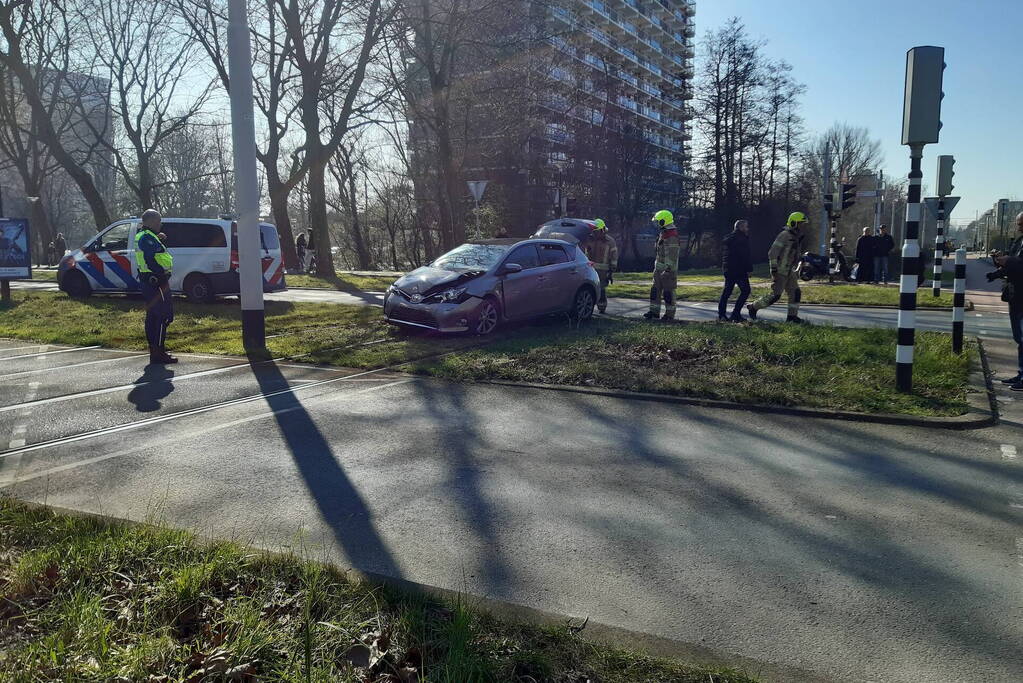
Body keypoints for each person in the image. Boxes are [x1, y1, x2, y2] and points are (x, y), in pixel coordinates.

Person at [747, 212, 809, 323]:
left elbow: (793, 253)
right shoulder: (784, 235)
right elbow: (772, 253)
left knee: (795, 293)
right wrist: (774, 270)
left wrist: (800, 260)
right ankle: (753, 307)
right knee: (775, 296)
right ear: (794, 223)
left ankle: (792, 318)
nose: (803, 226)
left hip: (790, 271)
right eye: (801, 223)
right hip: (780, 271)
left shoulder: (796, 237)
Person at [135, 209, 177, 364]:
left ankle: (155, 350)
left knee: (153, 316)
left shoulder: (144, 235)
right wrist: (161, 273)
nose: (160, 224)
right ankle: (158, 351)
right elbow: (150, 259)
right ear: (152, 221)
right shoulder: (146, 237)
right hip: (156, 281)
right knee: (162, 316)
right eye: (159, 221)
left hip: (149, 281)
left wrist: (158, 238)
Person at [989, 212, 1023, 388]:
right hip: (1014, 294)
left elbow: (1018, 263)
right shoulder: (1018, 241)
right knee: (1019, 338)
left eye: (1021, 224)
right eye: (1018, 224)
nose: (1019, 227)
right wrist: (998, 264)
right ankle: (1021, 374)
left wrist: (1009, 260)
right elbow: (1011, 264)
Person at [644, 209, 680, 321]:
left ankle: (669, 315)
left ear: (663, 222)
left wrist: (668, 270)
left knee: (668, 293)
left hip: (668, 271)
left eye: (658, 221)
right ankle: (654, 312)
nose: (656, 224)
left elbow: (672, 256)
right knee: (655, 291)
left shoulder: (672, 236)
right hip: (659, 270)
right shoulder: (663, 234)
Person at [718, 219, 752, 322]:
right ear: (741, 228)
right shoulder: (741, 239)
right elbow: (745, 256)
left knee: (727, 292)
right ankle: (735, 314)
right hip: (739, 270)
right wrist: (749, 269)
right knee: (746, 291)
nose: (747, 228)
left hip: (729, 269)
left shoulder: (730, 238)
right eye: (746, 226)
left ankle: (722, 315)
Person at [583, 218, 618, 314]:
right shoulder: (589, 240)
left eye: (597, 231)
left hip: (603, 272)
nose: (595, 234)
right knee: (589, 289)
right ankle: (589, 308)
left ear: (602, 230)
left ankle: (602, 308)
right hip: (591, 270)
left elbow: (614, 257)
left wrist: (611, 271)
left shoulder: (610, 241)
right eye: (594, 231)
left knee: (602, 290)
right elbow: (585, 254)